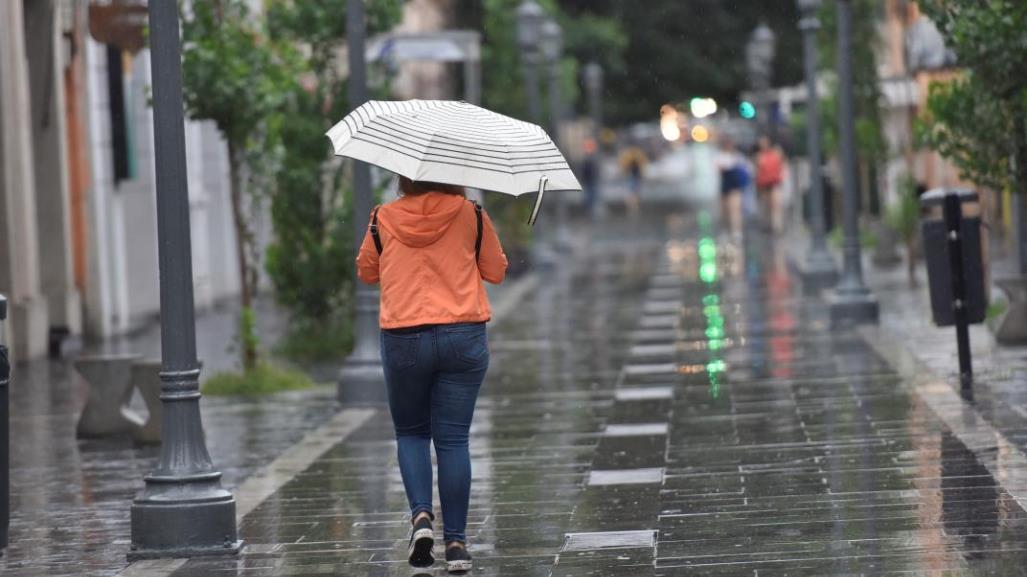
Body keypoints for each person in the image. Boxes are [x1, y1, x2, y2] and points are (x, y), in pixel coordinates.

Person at [356, 176, 508, 573]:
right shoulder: (471, 214)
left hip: (404, 336)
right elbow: (496, 271)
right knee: (453, 439)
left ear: (405, 176)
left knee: (411, 433)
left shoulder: (383, 217)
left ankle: (421, 517)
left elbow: (367, 272)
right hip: (463, 334)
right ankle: (456, 544)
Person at [716, 137, 750, 240]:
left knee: (735, 210)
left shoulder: (738, 157)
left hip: (735, 187)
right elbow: (719, 168)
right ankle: (727, 231)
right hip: (726, 187)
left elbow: (747, 169)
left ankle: (736, 232)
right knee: (725, 211)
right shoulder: (720, 156)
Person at [755, 136, 786, 233]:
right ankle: (768, 224)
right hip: (764, 184)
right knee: (766, 205)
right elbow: (758, 171)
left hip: (774, 182)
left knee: (776, 204)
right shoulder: (759, 156)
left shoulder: (776, 153)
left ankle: (777, 226)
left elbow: (782, 165)